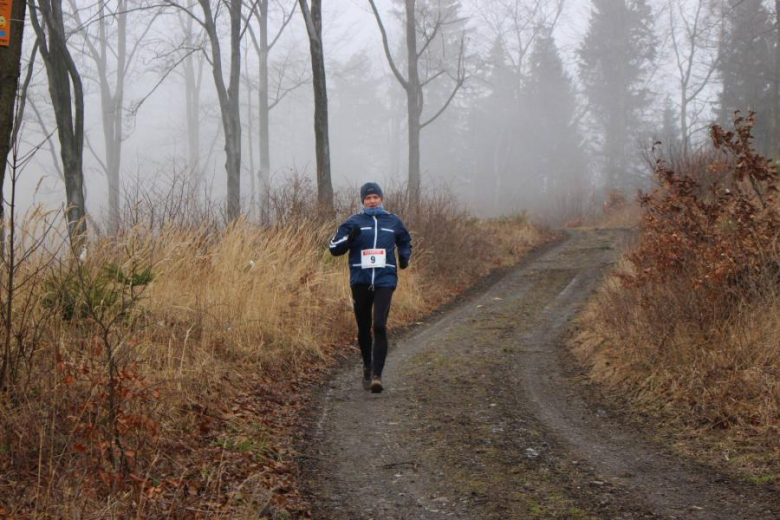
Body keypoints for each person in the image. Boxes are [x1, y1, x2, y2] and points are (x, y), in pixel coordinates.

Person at [328, 182, 412, 393]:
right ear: (362, 201)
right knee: (364, 328)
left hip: (385, 279)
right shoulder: (353, 222)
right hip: (361, 280)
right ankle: (367, 365)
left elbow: (405, 241)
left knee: (380, 326)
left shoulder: (393, 221)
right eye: (368, 198)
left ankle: (377, 375)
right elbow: (333, 249)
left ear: (381, 199)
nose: (372, 201)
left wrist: (404, 257)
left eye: (375, 197)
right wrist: (350, 238)